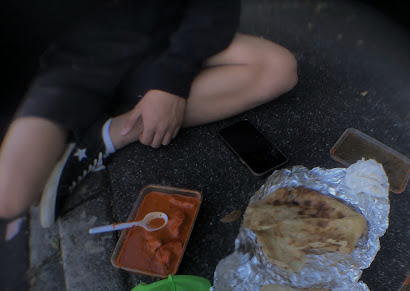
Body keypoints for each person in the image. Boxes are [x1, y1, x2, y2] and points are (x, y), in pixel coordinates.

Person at [0, 0, 297, 227]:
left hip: (157, 42)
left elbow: (212, 8)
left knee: (277, 68)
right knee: (11, 195)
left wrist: (171, 82)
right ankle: (88, 126)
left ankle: (107, 135)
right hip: (71, 65)